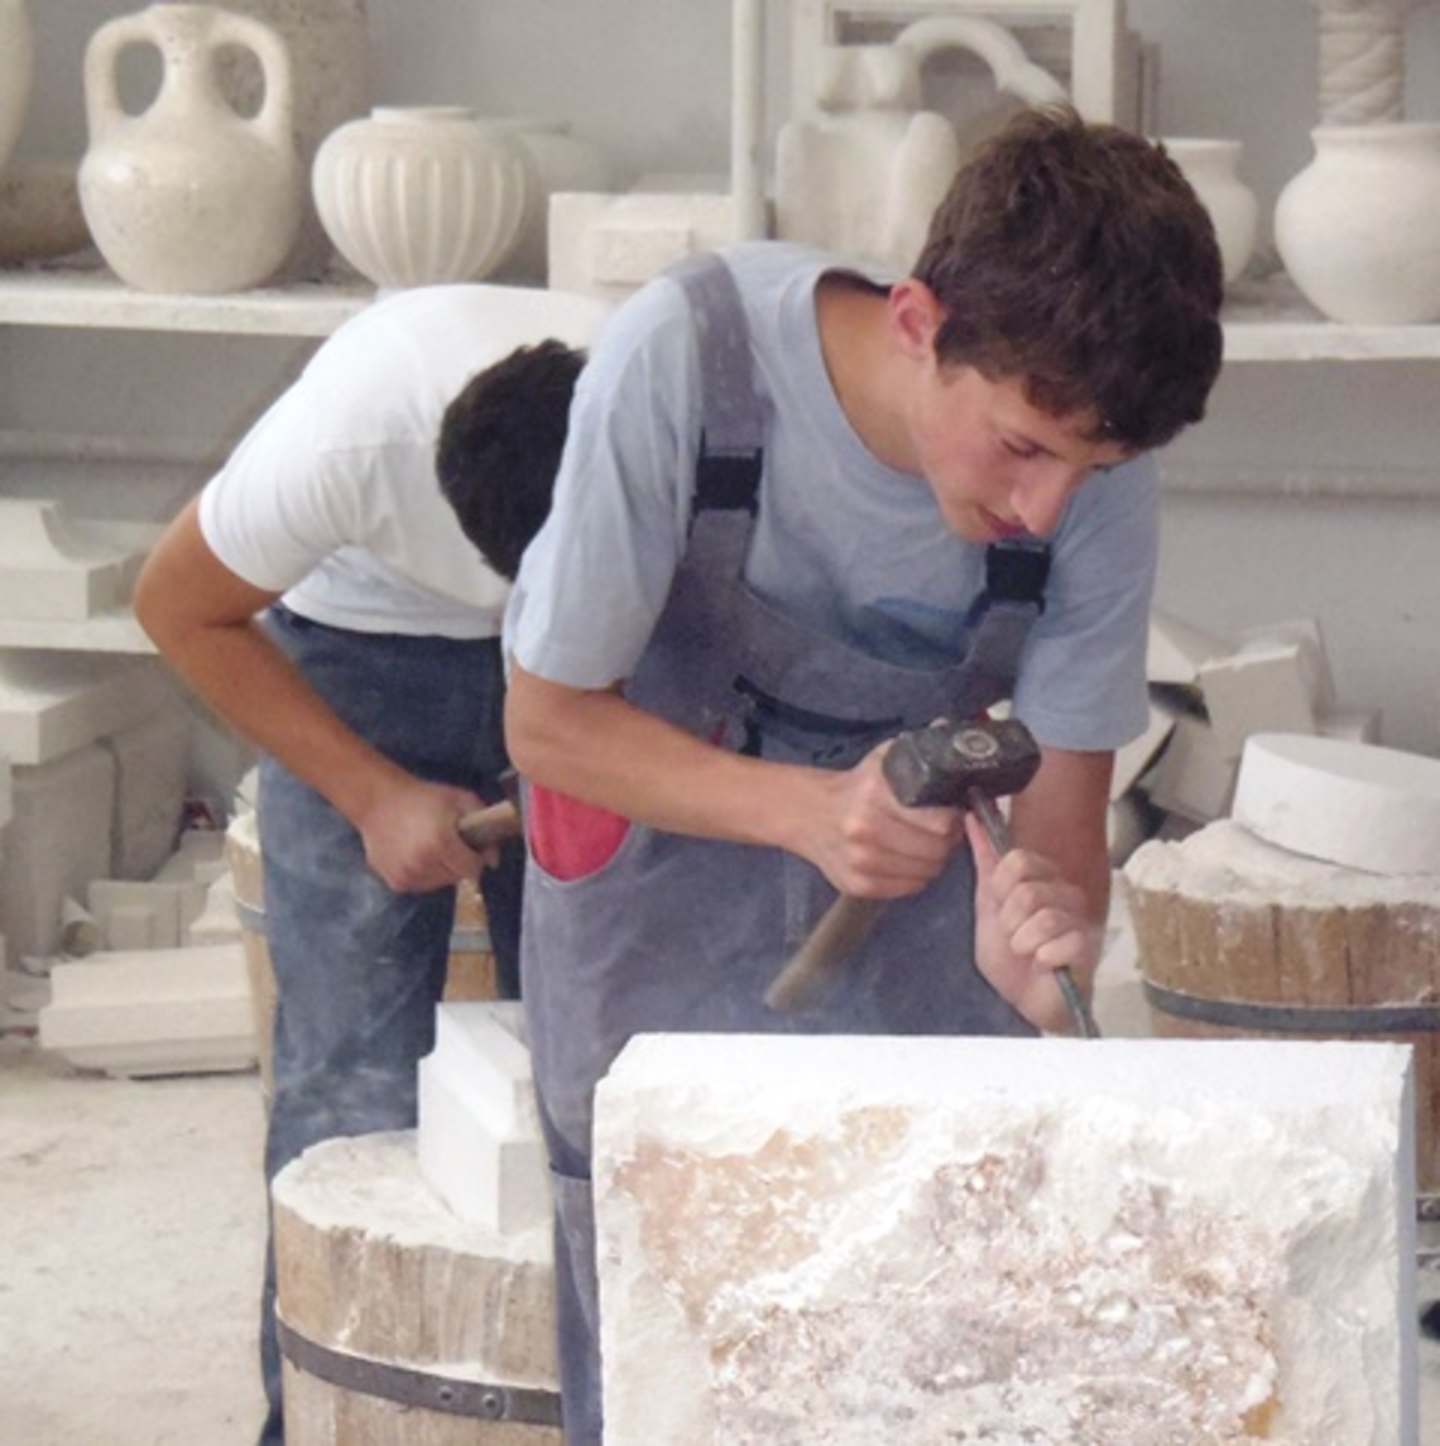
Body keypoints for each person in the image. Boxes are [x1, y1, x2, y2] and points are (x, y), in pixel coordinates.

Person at [500, 105, 1225, 1442]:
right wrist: (810, 814)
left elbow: (1063, 814)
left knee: (934, 1343)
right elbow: (547, 721)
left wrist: (1045, 948)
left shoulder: (1090, 463)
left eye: (1092, 466)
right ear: (915, 323)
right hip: (658, 897)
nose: (1047, 507)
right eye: (1020, 445)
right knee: (677, 1332)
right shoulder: (690, 359)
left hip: (914, 921)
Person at [131, 284, 606, 1446]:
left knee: (596, 1061)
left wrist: (604, 758)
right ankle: (317, 1422)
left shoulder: (667, 429)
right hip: (350, 652)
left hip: (581, 666)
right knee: (348, 1084)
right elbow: (178, 607)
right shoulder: (349, 432)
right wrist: (371, 792)